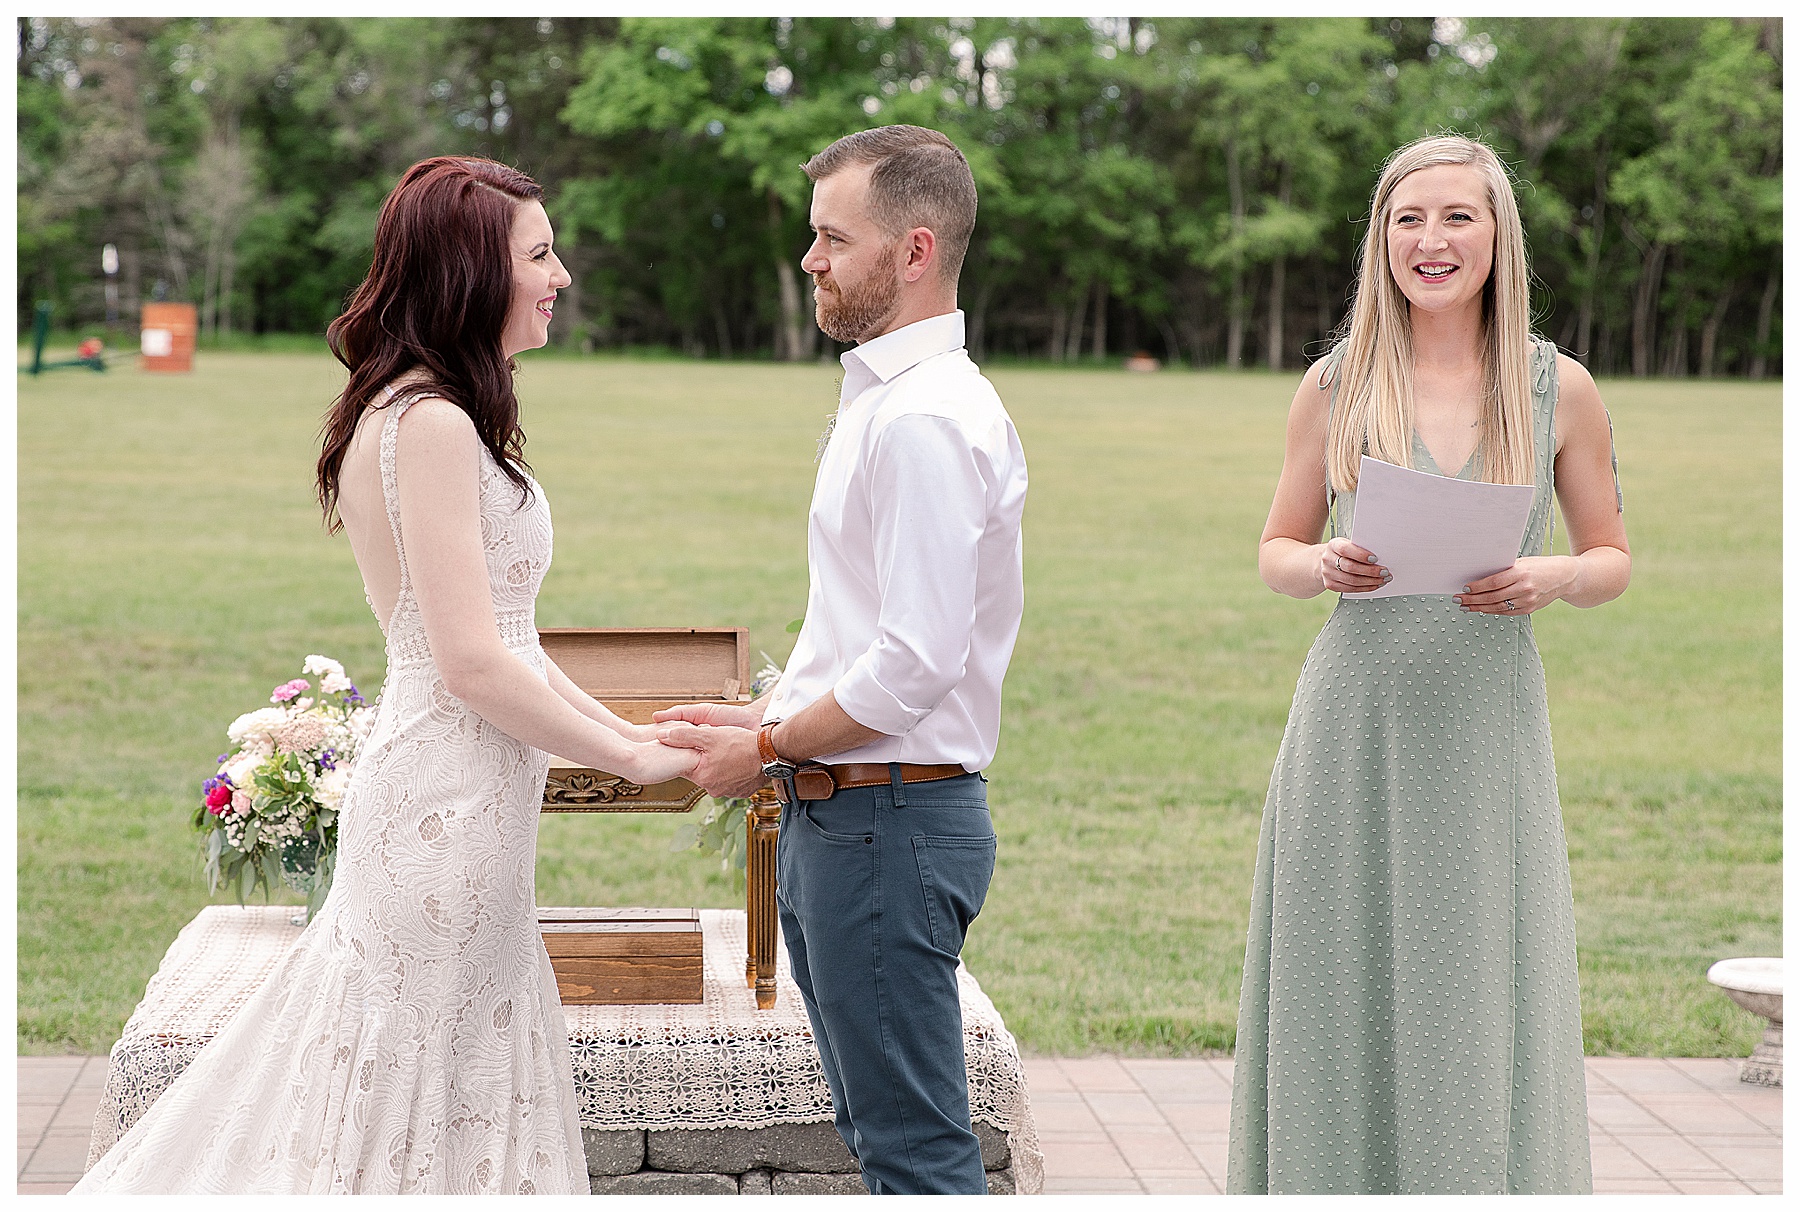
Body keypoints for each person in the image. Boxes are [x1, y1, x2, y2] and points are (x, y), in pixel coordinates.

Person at [74, 157, 696, 1194]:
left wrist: (640, 725)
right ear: (468, 271)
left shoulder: (415, 411)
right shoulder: (433, 423)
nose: (564, 276)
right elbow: (468, 661)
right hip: (440, 818)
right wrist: (632, 757)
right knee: (414, 1094)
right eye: (540, 254)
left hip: (465, 810)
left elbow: (513, 637)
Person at [1226, 134, 1630, 1195]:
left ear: (1497, 236)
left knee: (1478, 980)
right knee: (1341, 975)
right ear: (1381, 241)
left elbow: (1612, 558)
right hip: (1353, 722)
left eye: (1457, 216)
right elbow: (1273, 551)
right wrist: (1320, 562)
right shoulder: (1337, 382)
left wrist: (1552, 578)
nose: (1431, 239)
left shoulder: (1561, 388)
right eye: (1408, 219)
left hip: (1488, 723)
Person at [653, 125, 1028, 1195]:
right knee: (880, 1141)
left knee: (913, 1158)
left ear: (914, 251)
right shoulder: (886, 401)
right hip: (850, 818)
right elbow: (864, 628)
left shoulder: (924, 417)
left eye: (831, 237)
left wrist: (764, 746)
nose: (810, 259)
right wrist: (770, 714)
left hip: (887, 826)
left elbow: (915, 663)